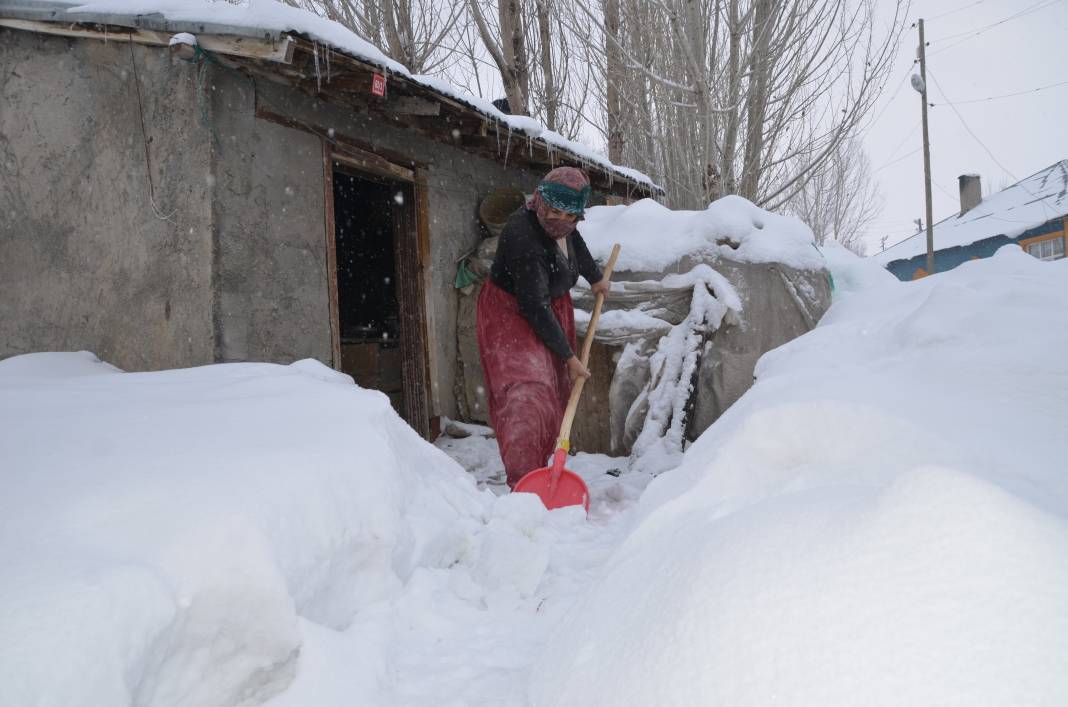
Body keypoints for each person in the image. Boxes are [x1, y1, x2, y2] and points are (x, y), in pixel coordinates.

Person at [477, 167, 611, 489]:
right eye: (552, 210)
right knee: (527, 393)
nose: (558, 219)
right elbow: (533, 306)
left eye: (569, 215)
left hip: (549, 305)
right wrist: (569, 357)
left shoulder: (565, 228)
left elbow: (574, 242)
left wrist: (595, 279)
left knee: (552, 390)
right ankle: (523, 482)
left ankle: (540, 466)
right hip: (511, 315)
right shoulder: (524, 237)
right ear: (539, 201)